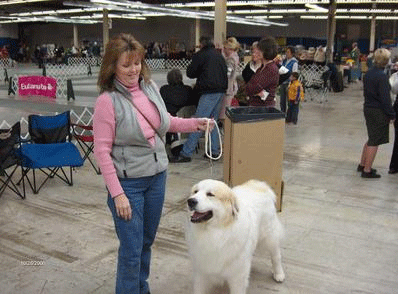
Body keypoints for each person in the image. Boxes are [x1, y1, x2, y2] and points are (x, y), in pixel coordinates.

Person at [92, 33, 214, 294]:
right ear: (112, 66)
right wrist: (118, 195)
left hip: (157, 176)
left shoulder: (149, 87)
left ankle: (141, 288)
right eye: (126, 65)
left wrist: (196, 123)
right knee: (131, 250)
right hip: (129, 186)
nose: (133, 69)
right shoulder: (107, 101)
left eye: (136, 63)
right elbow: (101, 152)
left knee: (146, 243)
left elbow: (166, 122)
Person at [169, 36, 228, 162]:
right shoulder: (219, 55)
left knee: (199, 122)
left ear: (201, 44)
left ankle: (186, 153)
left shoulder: (201, 55)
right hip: (221, 91)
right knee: (212, 121)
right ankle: (214, 150)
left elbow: (190, 73)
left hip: (208, 91)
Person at [358, 48, 395, 178]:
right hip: (378, 111)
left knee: (371, 137)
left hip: (368, 107)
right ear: (386, 61)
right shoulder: (382, 77)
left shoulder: (368, 73)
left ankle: (362, 164)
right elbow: (385, 99)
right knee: (375, 140)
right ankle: (367, 170)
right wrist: (391, 114)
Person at [160, 68, 196, 156]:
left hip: (170, 121)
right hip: (187, 119)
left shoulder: (164, 90)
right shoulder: (188, 89)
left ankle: (172, 142)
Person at [245, 35, 279, 107]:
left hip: (264, 108)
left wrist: (255, 91)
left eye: (260, 50)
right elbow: (249, 88)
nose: (257, 52)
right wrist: (256, 92)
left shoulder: (271, 69)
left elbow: (253, 87)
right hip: (256, 106)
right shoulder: (261, 68)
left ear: (266, 51)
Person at [219, 37, 240, 123]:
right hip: (231, 87)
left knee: (223, 115)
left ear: (230, 49)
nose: (223, 50)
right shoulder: (235, 56)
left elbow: (227, 74)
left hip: (228, 89)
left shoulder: (231, 59)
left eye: (225, 48)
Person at [279, 46, 298, 113]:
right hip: (282, 82)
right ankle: (282, 113)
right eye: (286, 52)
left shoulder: (294, 62)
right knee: (282, 101)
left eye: (288, 52)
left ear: (292, 53)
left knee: (289, 101)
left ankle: (290, 116)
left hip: (289, 84)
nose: (286, 53)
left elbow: (294, 74)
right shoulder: (284, 61)